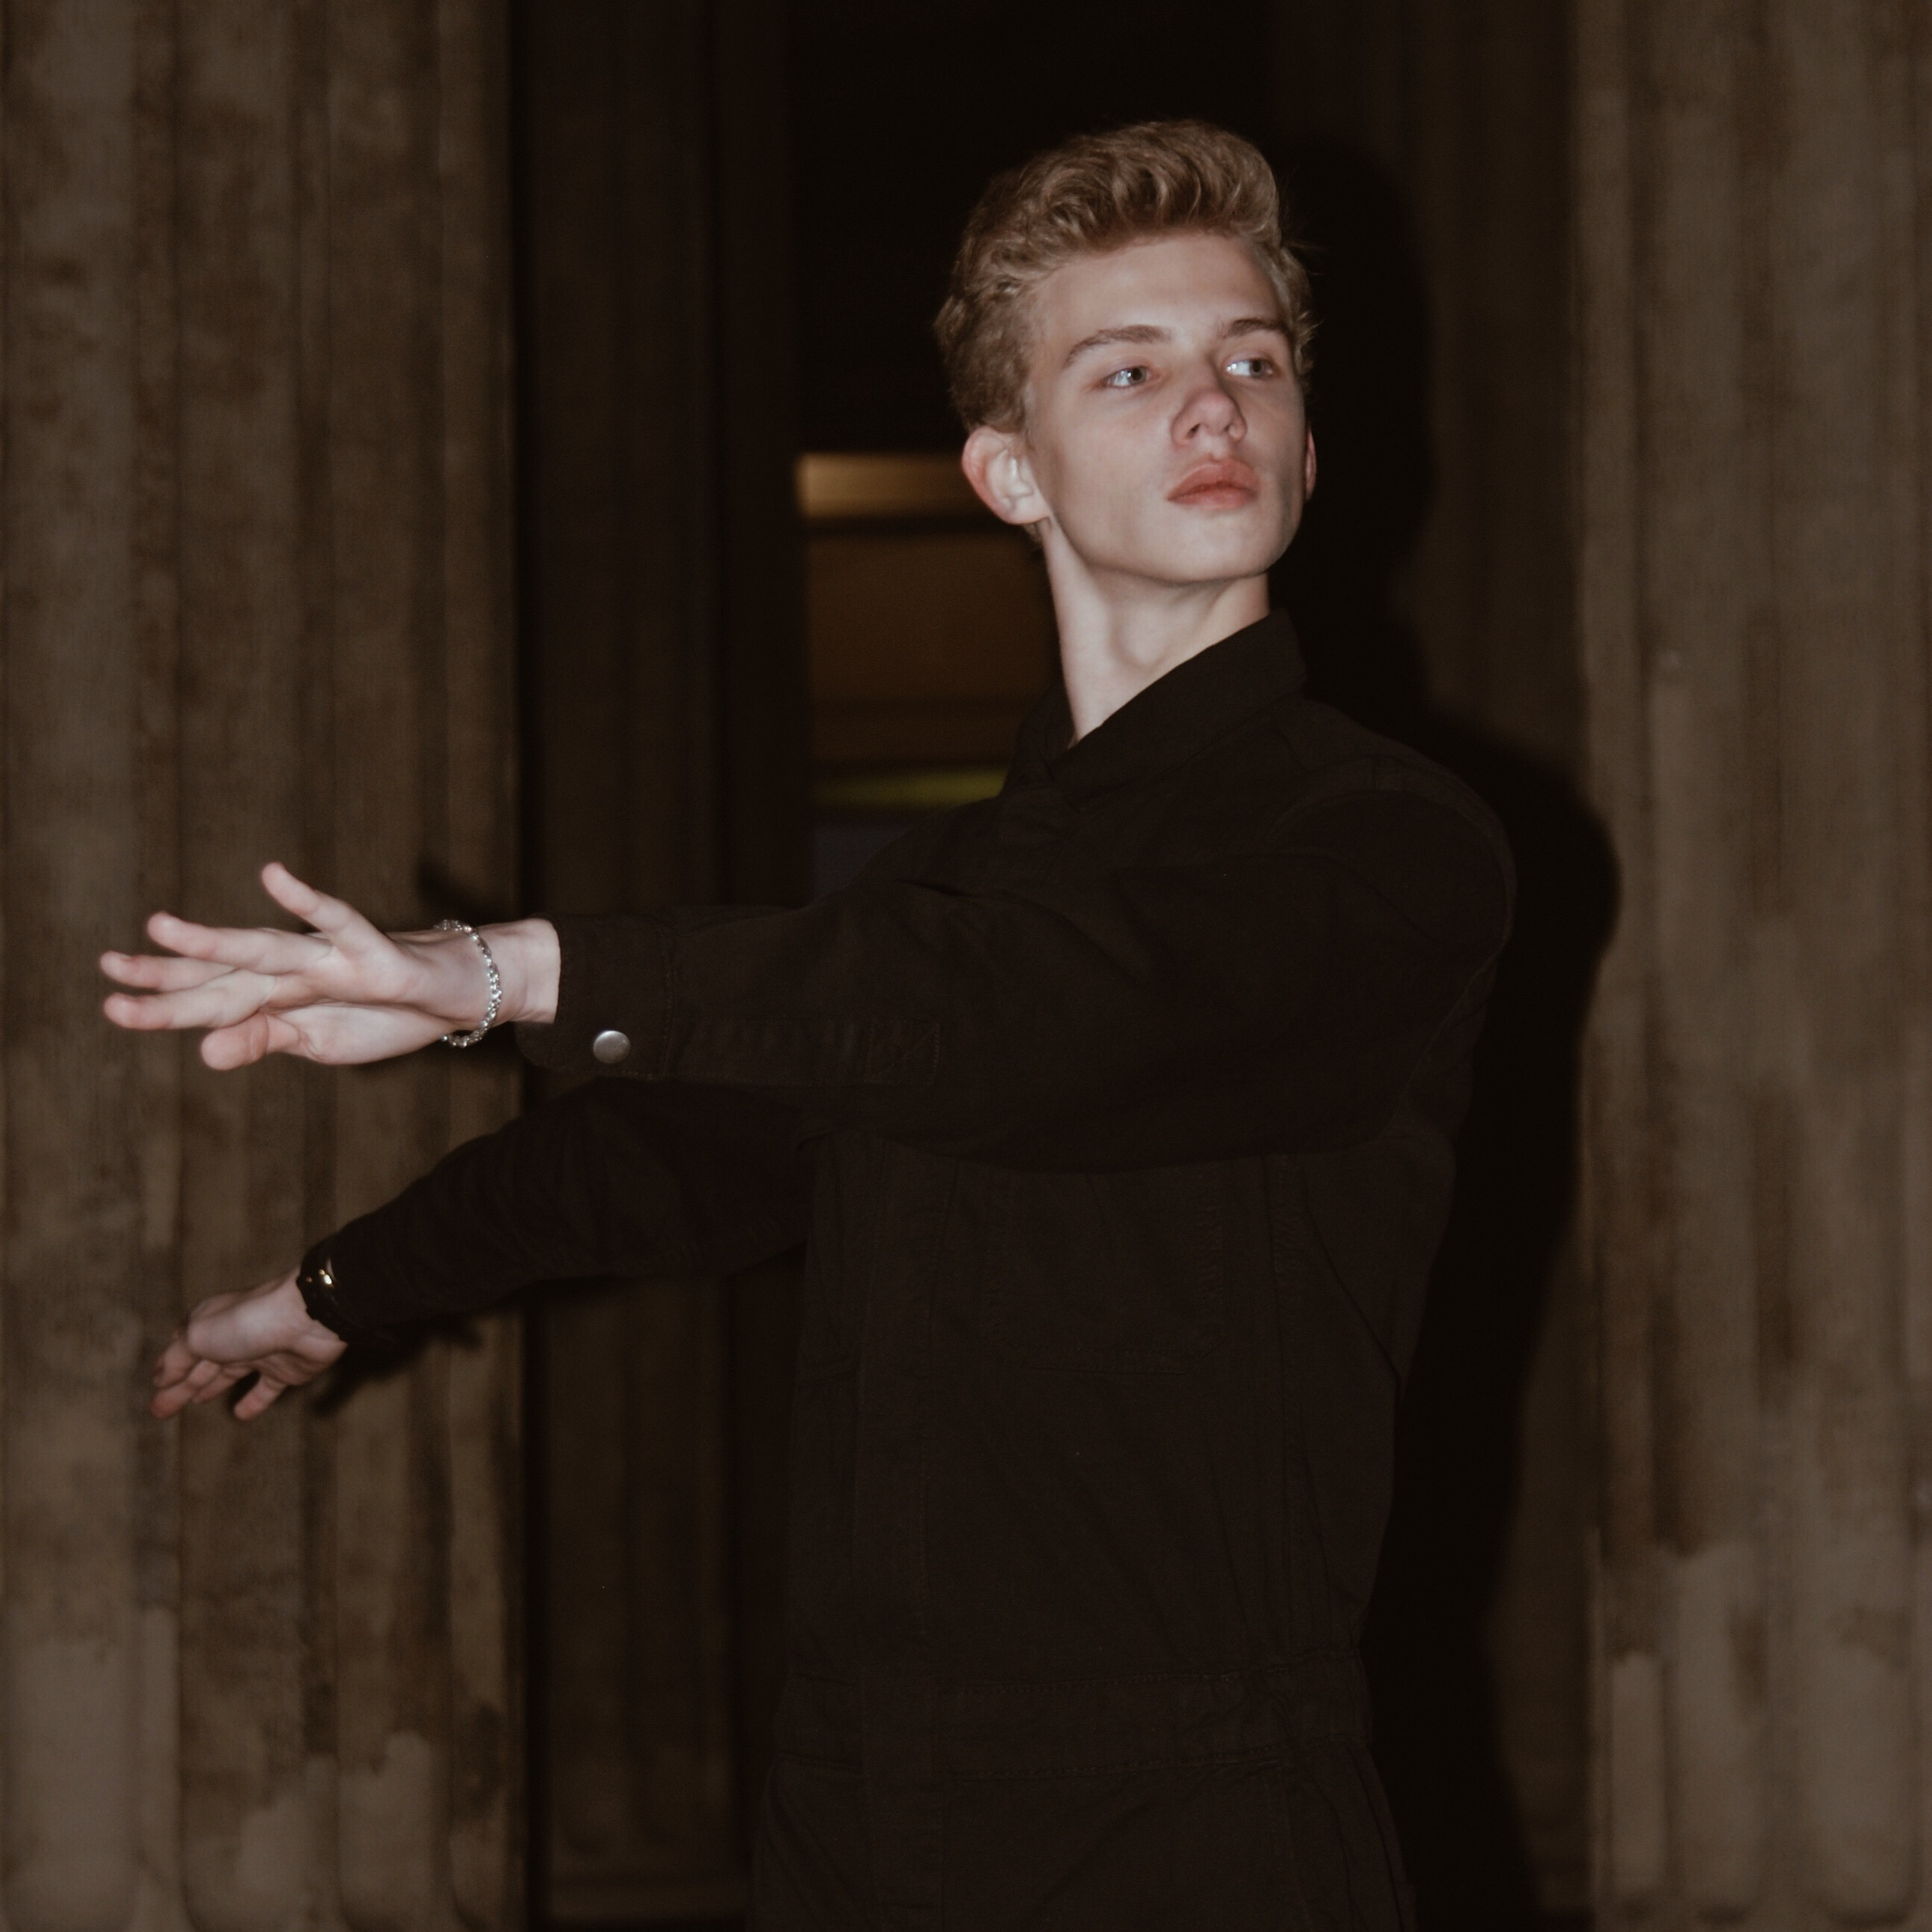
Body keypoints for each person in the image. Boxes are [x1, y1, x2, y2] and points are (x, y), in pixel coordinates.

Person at [102, 122, 1511, 1931]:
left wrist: (506, 972)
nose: (1209, 404)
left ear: (1309, 445)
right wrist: (327, 1291)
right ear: (1007, 468)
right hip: (853, 1816)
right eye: (1127, 369)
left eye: (1252, 362)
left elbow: (1029, 1019)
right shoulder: (934, 899)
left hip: (1195, 1824)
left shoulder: (1384, 846)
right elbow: (663, 1154)